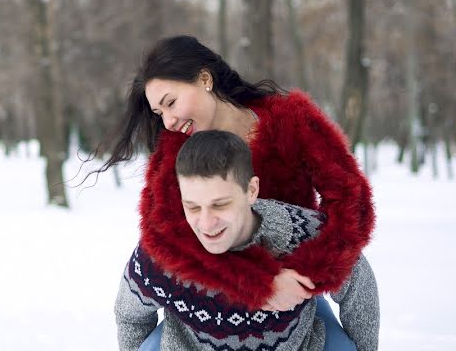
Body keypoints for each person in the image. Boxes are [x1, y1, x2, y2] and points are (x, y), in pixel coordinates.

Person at [97, 35, 375, 347]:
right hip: (205, 306)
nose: (170, 121)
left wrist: (305, 277)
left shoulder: (291, 121)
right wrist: (262, 286)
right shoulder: (174, 153)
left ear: (204, 78)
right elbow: (165, 238)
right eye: (159, 113)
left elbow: (352, 202)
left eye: (171, 103)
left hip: (293, 297)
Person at [114, 130, 379, 351]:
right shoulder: (162, 254)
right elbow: (130, 315)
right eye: (192, 207)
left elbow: (358, 281)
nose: (206, 223)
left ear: (251, 190)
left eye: (220, 204)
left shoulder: (302, 235)